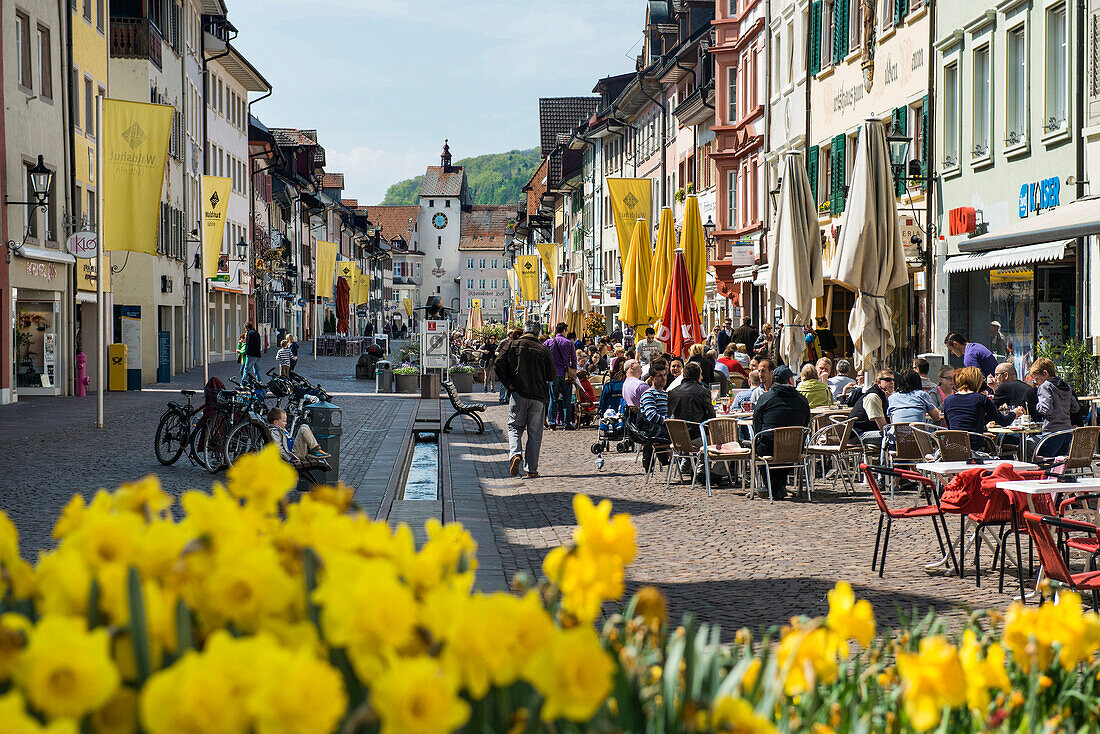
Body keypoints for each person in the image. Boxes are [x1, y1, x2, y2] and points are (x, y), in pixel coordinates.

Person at [495, 323, 555, 478]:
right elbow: (551, 376)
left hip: (518, 393)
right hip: (538, 397)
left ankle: (515, 454)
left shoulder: (513, 345)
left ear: (525, 330)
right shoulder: (544, 350)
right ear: (538, 333)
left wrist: (508, 383)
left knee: (515, 427)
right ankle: (532, 469)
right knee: (535, 434)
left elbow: (498, 363)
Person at [752, 365, 811, 500]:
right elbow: (805, 423)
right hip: (794, 449)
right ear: (790, 380)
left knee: (762, 444)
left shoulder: (766, 398)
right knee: (783, 447)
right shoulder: (802, 400)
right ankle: (779, 486)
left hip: (769, 449)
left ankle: (774, 487)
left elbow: (757, 424)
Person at [942, 366, 1017, 437]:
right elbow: (1003, 421)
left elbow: (952, 427)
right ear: (977, 381)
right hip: (975, 445)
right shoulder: (981, 399)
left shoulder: (948, 400)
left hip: (954, 445)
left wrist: (982, 432)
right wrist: (1014, 413)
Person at [1030, 358, 1080, 457]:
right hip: (1067, 433)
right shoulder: (1066, 386)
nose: (1036, 383)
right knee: (1059, 464)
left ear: (1045, 373)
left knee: (1029, 448)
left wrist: (1037, 406)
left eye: (1037, 379)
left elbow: (1046, 409)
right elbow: (1075, 408)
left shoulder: (1045, 387)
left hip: (1051, 433)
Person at [667, 362, 715, 441]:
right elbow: (712, 417)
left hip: (678, 439)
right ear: (698, 376)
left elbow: (669, 415)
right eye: (701, 375)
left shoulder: (672, 392)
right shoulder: (703, 392)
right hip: (698, 437)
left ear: (683, 376)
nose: (702, 377)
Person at [544, 322, 578, 430]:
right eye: (566, 331)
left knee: (553, 399)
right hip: (566, 374)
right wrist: (574, 371)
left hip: (553, 373)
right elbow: (574, 359)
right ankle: (566, 423)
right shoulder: (569, 343)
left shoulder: (549, 342)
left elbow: (542, 352)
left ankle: (552, 422)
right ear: (564, 330)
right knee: (567, 399)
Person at [638, 358, 671, 469]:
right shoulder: (649, 394)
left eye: (664, 375)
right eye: (660, 376)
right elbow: (651, 415)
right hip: (656, 431)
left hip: (666, 428)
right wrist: (668, 422)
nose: (663, 378)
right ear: (652, 378)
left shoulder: (666, 394)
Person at [850, 370, 894, 449]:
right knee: (891, 437)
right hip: (857, 435)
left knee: (896, 436)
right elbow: (883, 427)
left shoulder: (885, 396)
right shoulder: (873, 396)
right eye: (887, 380)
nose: (892, 382)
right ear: (878, 382)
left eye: (893, 380)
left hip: (868, 431)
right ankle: (885, 462)